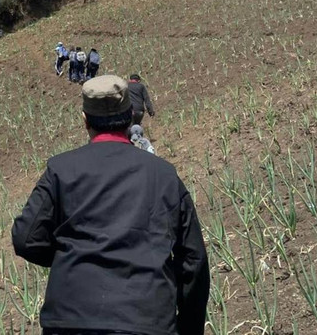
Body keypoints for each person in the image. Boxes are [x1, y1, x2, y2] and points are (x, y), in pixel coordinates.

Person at [12, 75, 209, 335]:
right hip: (147, 322)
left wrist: (70, 255)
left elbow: (26, 239)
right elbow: (193, 260)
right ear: (130, 116)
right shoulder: (163, 174)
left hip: (71, 322)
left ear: (85, 120)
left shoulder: (60, 170)